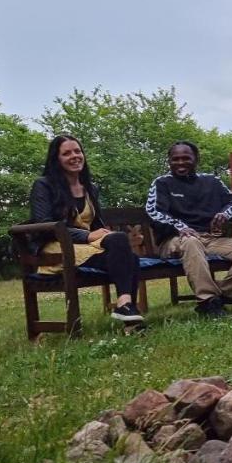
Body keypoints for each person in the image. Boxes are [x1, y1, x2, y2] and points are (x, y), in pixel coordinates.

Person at [30, 134, 144, 327]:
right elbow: (44, 224)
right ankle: (129, 318)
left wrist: (106, 234)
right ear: (56, 159)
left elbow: (95, 224)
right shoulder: (43, 185)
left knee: (123, 247)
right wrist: (87, 235)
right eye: (66, 153)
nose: (75, 156)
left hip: (86, 246)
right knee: (129, 260)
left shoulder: (91, 188)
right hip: (56, 247)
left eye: (78, 151)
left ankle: (124, 305)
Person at [144, 141, 232, 317]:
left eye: (186, 158)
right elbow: (153, 211)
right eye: (175, 159)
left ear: (196, 159)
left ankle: (218, 298)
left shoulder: (211, 181)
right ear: (169, 161)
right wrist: (180, 227)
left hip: (210, 239)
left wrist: (225, 213)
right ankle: (208, 300)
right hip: (174, 241)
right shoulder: (162, 183)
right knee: (191, 242)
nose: (180, 163)